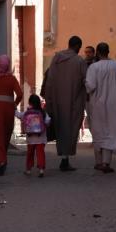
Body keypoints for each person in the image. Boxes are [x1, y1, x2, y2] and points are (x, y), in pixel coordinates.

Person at [41, 35, 87, 171]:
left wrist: (49, 98)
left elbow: (50, 79)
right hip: (73, 102)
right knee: (70, 130)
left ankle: (63, 157)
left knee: (60, 128)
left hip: (57, 101)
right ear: (77, 46)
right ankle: (65, 159)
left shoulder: (57, 58)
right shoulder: (79, 61)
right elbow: (86, 81)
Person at [84, 42, 116, 172]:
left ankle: (98, 162)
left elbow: (90, 86)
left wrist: (84, 82)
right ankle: (106, 162)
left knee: (98, 132)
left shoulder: (94, 67)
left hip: (97, 105)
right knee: (111, 132)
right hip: (115, 105)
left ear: (97, 52)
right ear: (108, 51)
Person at [0, 54, 23, 175]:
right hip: (8, 109)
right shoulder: (12, 79)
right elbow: (20, 94)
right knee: (5, 135)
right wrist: (14, 104)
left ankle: (1, 161)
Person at [16, 93, 51, 177]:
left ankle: (28, 170)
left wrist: (14, 109)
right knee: (40, 153)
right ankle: (41, 170)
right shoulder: (43, 112)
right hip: (41, 137)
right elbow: (48, 121)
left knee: (30, 154)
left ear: (30, 103)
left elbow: (19, 115)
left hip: (30, 138)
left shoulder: (27, 112)